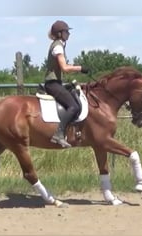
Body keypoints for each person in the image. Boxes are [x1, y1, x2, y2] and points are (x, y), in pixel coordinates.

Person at [44, 20, 90, 148]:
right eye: (66, 31)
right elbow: (64, 67)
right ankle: (58, 134)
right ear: (60, 33)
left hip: (56, 82)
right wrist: (80, 68)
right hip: (52, 83)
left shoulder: (59, 45)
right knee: (73, 106)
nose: (68, 34)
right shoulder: (58, 47)